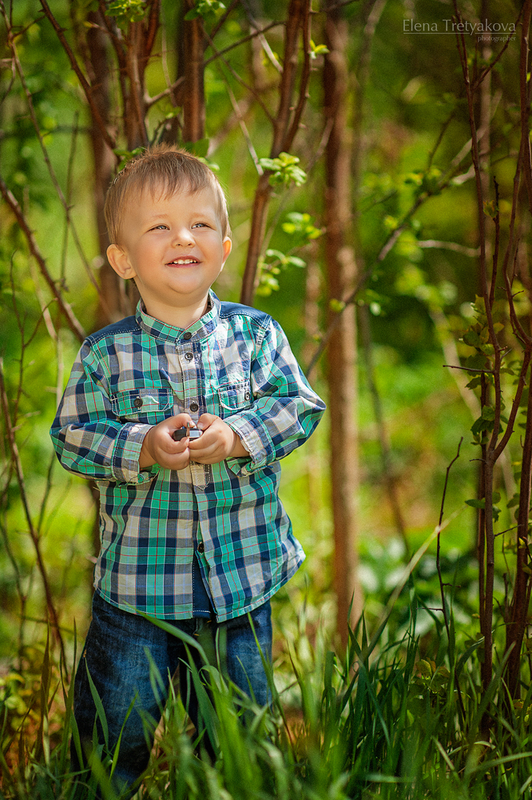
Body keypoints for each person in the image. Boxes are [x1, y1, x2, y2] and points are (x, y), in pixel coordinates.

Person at [50, 144, 326, 795]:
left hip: (240, 588)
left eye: (200, 224)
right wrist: (142, 445)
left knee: (237, 746)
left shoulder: (256, 338)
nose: (183, 237)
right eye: (160, 226)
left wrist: (238, 435)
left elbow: (298, 406)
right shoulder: (106, 355)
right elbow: (72, 436)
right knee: (110, 745)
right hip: (136, 598)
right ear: (123, 260)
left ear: (224, 248)